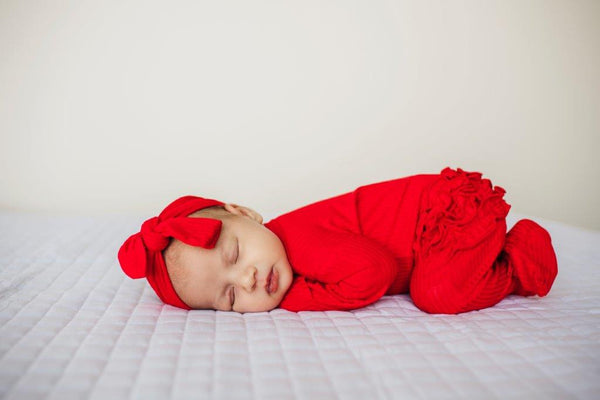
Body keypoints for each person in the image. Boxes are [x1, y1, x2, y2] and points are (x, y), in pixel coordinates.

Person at [118, 167, 558, 314]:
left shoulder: (297, 240)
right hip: (436, 233)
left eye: (234, 254)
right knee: (436, 284)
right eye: (229, 297)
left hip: (447, 213)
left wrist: (296, 298)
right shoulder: (280, 254)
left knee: (438, 294)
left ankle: (519, 257)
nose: (249, 280)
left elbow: (374, 273)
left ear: (247, 214)